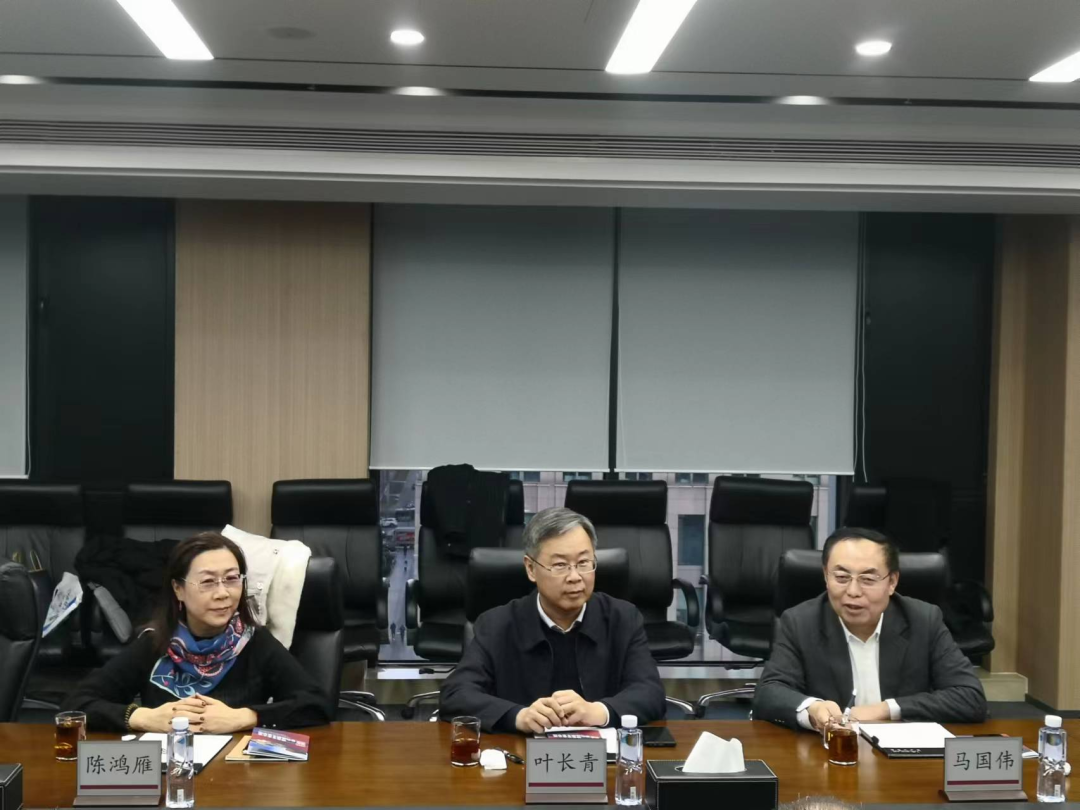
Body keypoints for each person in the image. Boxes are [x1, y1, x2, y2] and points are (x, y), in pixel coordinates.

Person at [64, 532, 331, 733]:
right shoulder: (155, 642)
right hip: (169, 773)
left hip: (238, 775)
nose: (223, 593)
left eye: (232, 579)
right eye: (207, 582)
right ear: (178, 589)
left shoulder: (254, 642)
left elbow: (316, 704)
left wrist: (245, 717)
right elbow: (75, 704)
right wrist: (144, 717)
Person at [438, 506, 665, 733]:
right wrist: (518, 716)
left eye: (584, 563)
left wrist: (598, 711)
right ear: (531, 569)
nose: (575, 577)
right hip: (521, 751)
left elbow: (650, 692)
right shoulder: (496, 625)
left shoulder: (623, 618)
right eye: (560, 565)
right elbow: (456, 694)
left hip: (602, 752)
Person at [753, 527, 986, 731]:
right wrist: (811, 709)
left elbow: (970, 697)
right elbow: (769, 692)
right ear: (825, 576)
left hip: (902, 758)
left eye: (867, 579)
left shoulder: (923, 620)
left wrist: (887, 709)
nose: (853, 591)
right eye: (841, 577)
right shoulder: (800, 622)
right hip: (828, 753)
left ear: (892, 582)